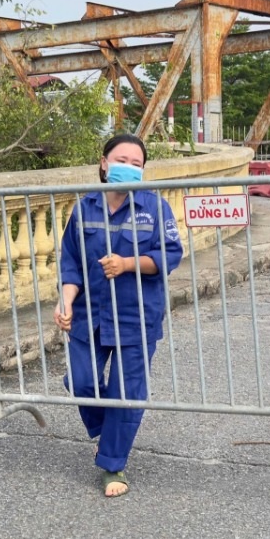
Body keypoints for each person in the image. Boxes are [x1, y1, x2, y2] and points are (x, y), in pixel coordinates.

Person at [53, 133, 183, 498]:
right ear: (104, 163)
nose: (129, 167)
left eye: (137, 163)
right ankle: (106, 432)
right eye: (122, 159)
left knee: (126, 392)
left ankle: (113, 464)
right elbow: (71, 263)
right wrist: (65, 302)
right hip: (88, 314)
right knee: (82, 382)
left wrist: (127, 264)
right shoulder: (84, 209)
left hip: (136, 316)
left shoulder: (155, 208)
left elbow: (169, 256)